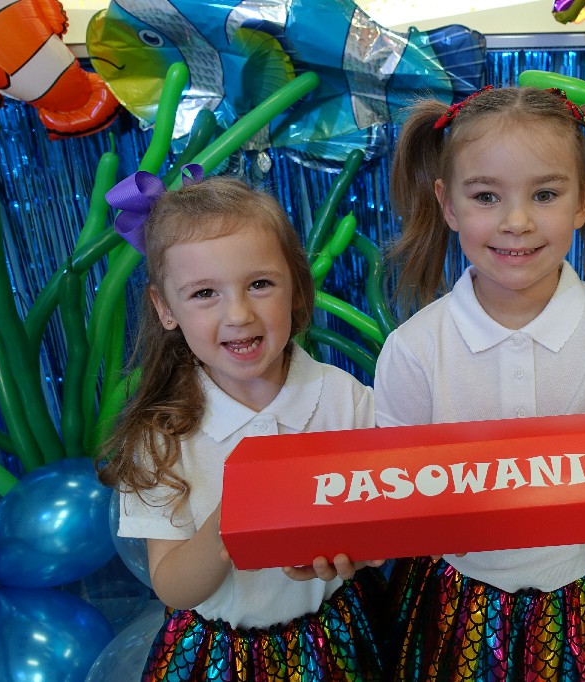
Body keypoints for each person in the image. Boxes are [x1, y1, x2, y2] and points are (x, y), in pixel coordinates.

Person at [373, 84, 585, 680]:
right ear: (447, 203)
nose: (517, 222)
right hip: (455, 606)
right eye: (486, 196)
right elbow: (393, 511)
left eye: (545, 194)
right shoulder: (412, 351)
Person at [96, 172, 385, 681]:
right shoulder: (161, 437)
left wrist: (360, 554)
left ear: (296, 289)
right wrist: (227, 527)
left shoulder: (346, 400)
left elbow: (380, 520)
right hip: (221, 655)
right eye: (205, 292)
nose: (238, 314)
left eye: (259, 284)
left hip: (335, 635)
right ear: (165, 309)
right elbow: (172, 587)